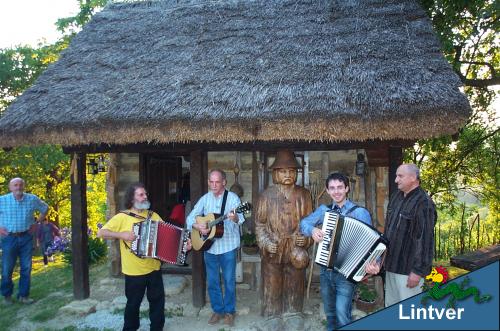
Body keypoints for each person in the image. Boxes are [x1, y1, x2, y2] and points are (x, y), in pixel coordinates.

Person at [98, 182, 187, 331]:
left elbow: (169, 237)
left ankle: (157, 328)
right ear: (132, 199)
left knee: (158, 302)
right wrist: (122, 235)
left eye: (145, 194)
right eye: (141, 194)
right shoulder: (122, 217)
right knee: (133, 304)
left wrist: (184, 244)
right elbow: (101, 233)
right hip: (133, 272)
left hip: (153, 268)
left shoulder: (153, 216)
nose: (145, 196)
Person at [300, 172, 372, 330]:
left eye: (340, 187)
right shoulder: (324, 211)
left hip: (347, 273)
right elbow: (303, 223)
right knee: (330, 312)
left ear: (347, 188)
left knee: (342, 313)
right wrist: (312, 230)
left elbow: (372, 243)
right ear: (327, 190)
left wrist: (374, 264)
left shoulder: (360, 213)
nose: (336, 191)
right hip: (326, 270)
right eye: (332, 188)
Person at [255, 150, 313, 331]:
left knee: (295, 279)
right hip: (274, 247)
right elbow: (259, 224)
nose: (288, 174)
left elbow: (311, 223)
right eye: (283, 171)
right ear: (275, 174)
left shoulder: (304, 195)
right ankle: (272, 314)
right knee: (272, 280)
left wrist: (307, 239)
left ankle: (293, 312)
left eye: (291, 171)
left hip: (295, 247)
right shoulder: (266, 196)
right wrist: (265, 242)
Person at [366, 163, 436, 307]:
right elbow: (388, 233)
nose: (396, 180)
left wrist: (417, 272)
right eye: (396, 175)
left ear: (413, 178)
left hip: (408, 271)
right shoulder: (396, 197)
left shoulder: (424, 203)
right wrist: (380, 260)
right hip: (391, 266)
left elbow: (425, 240)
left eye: (400, 176)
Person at [186, 169, 245, 327]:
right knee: (212, 281)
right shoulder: (205, 199)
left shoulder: (233, 199)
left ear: (224, 182)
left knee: (229, 281)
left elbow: (241, 219)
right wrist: (197, 225)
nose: (213, 185)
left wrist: (235, 217)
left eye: (217, 182)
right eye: (211, 182)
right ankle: (217, 310)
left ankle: (229, 311)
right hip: (209, 247)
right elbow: (190, 217)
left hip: (228, 247)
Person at [0, 177, 48, 305]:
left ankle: (24, 296)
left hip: (26, 237)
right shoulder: (3, 200)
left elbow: (45, 208)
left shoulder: (32, 199)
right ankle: (7, 296)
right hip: (9, 238)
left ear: (24, 186)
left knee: (26, 268)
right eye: (15, 185)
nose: (18, 187)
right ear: (10, 188)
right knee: (7, 268)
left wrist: (37, 222)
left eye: (20, 185)